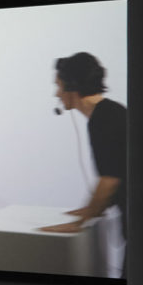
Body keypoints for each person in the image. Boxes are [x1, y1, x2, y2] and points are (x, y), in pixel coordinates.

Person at [39, 52, 127, 258]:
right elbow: (120, 171)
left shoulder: (103, 119)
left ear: (71, 86)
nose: (57, 94)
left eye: (59, 85)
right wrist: (90, 209)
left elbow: (110, 179)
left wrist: (80, 222)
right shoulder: (110, 112)